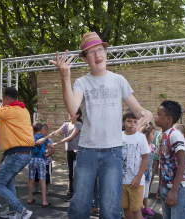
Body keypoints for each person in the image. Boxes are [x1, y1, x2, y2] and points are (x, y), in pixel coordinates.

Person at [49, 31, 153, 219]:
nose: (97, 55)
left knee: (111, 210)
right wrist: (65, 78)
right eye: (90, 52)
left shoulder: (118, 80)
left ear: (105, 52)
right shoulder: (81, 82)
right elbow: (73, 111)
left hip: (113, 153)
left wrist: (148, 113)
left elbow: (138, 109)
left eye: (99, 49)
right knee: (80, 208)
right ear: (85, 58)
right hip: (86, 152)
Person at [0, 87, 34, 219]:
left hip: (17, 154)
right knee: (8, 181)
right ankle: (13, 210)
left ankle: (21, 210)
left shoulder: (10, 110)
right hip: (24, 154)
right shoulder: (23, 110)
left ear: (6, 99)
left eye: (2, 100)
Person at [155, 100, 185, 219]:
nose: (155, 117)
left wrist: (174, 191)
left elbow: (182, 164)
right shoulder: (161, 136)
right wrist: (160, 186)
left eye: (158, 114)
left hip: (180, 187)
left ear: (168, 118)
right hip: (166, 186)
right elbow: (163, 162)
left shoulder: (175, 135)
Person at [36, 108, 82, 201]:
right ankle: (71, 192)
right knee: (70, 173)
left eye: (72, 113)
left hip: (78, 151)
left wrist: (57, 143)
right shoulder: (65, 124)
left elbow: (70, 137)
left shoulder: (79, 124)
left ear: (78, 115)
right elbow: (55, 133)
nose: (70, 114)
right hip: (69, 151)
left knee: (78, 173)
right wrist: (46, 138)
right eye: (69, 112)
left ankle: (78, 192)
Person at [121, 108, 150, 219]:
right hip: (122, 181)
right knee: (126, 208)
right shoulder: (119, 136)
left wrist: (138, 177)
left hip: (136, 182)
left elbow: (145, 158)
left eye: (135, 121)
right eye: (129, 121)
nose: (132, 124)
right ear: (123, 122)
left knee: (137, 209)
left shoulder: (141, 137)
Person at [27, 122, 52, 207]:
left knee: (31, 180)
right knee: (42, 180)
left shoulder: (31, 137)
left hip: (31, 159)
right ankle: (44, 201)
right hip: (41, 159)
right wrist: (45, 153)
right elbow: (49, 147)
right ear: (42, 130)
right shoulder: (44, 138)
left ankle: (30, 198)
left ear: (33, 130)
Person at [33, 123, 55, 196]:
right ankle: (36, 188)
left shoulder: (49, 140)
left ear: (46, 131)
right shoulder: (37, 139)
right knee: (36, 175)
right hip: (39, 160)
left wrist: (44, 156)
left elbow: (52, 151)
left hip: (47, 162)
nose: (41, 133)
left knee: (46, 176)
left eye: (43, 131)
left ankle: (46, 189)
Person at [141, 123, 156, 217]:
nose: (154, 136)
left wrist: (153, 162)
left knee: (146, 191)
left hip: (148, 172)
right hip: (141, 173)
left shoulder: (152, 146)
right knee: (140, 193)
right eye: (153, 134)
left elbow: (152, 158)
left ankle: (145, 207)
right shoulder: (141, 145)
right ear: (146, 135)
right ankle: (138, 211)